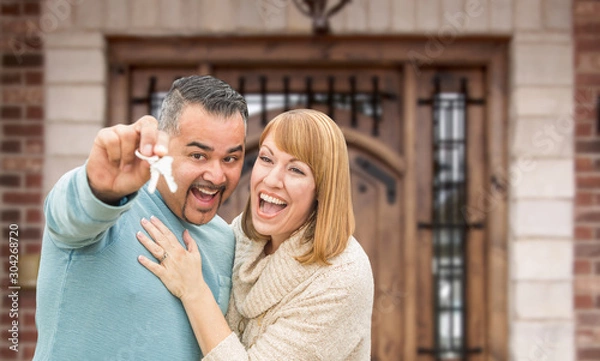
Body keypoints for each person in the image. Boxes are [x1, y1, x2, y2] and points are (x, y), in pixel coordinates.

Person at [33, 75, 248, 361]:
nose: (217, 175)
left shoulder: (226, 239)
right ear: (163, 146)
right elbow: (68, 215)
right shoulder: (108, 210)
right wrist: (97, 190)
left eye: (230, 159)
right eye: (198, 155)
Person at [137, 109, 375, 360]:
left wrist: (193, 291)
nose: (271, 179)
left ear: (322, 190)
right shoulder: (243, 236)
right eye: (266, 159)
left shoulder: (341, 277)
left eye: (296, 170)